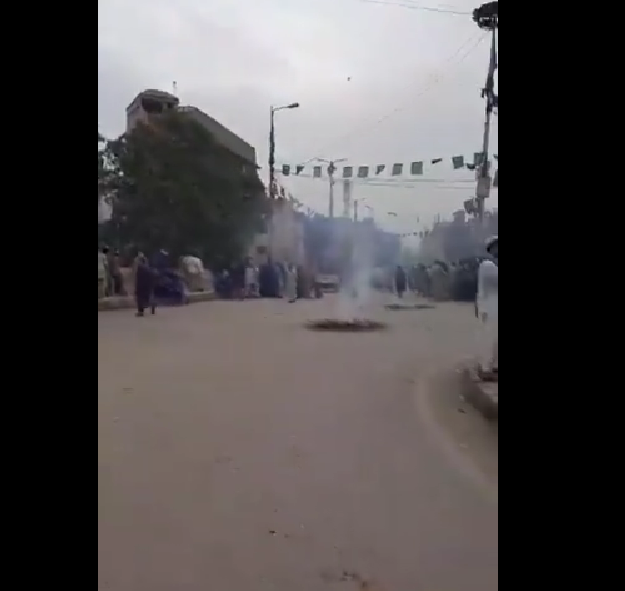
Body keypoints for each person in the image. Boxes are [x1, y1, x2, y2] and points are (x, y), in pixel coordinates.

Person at [476, 236, 498, 379]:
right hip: (490, 304)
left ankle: (494, 365)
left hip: (493, 303)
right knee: (491, 337)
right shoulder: (487, 265)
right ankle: (486, 369)